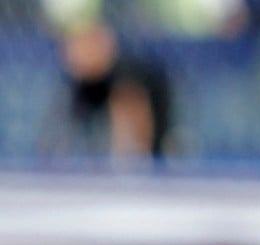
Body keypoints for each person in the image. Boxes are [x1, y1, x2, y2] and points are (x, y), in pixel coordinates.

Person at [42, 21, 172, 162]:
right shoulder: (82, 83)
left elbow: (133, 141)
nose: (73, 55)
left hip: (155, 156)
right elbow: (59, 137)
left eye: (84, 47)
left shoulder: (126, 76)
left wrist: (124, 165)